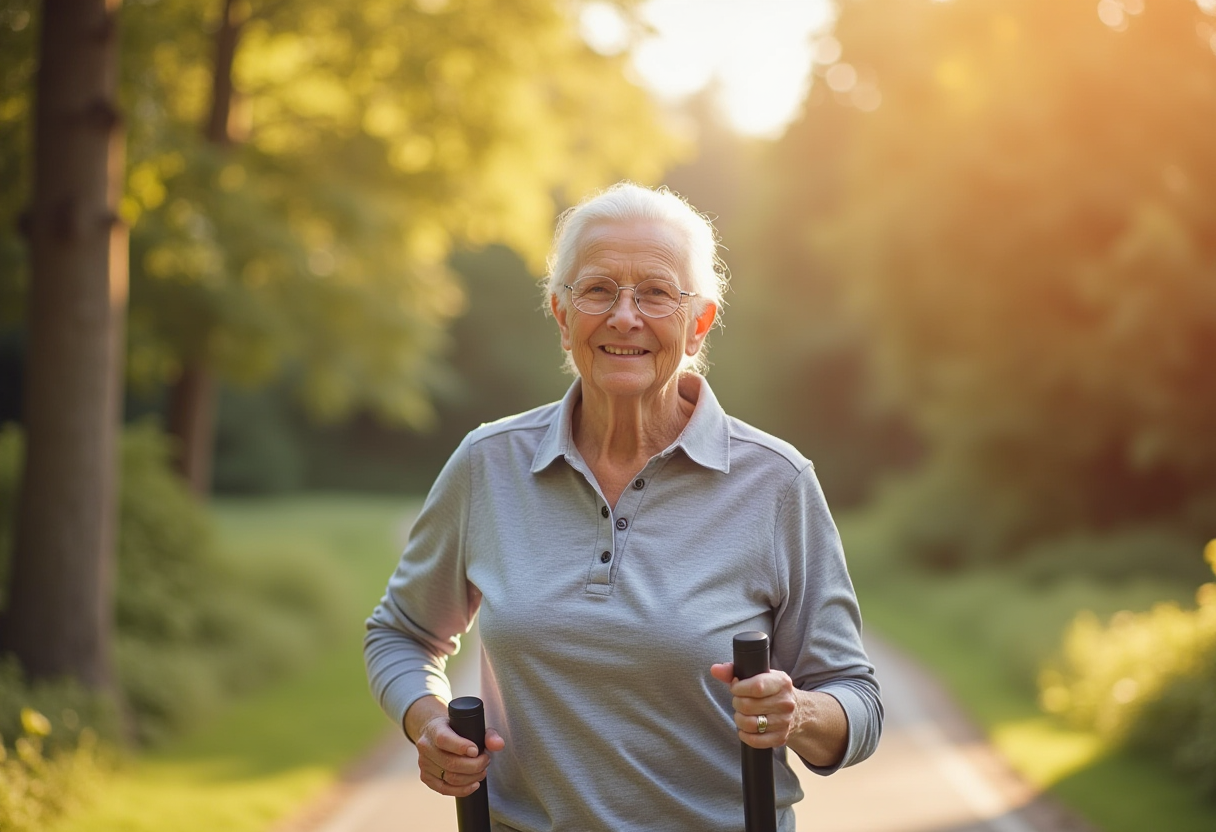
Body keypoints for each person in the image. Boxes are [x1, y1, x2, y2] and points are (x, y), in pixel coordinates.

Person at [364, 182, 882, 831]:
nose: (625, 316)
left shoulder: (775, 483)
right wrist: (427, 721)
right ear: (561, 314)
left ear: (698, 323)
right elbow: (402, 634)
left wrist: (799, 714)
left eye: (657, 292)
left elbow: (858, 702)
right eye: (599, 289)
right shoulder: (489, 465)